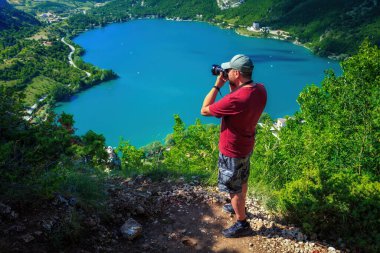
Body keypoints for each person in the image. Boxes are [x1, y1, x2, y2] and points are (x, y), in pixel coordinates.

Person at [200, 54, 267, 238]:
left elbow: (204, 110)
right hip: (246, 145)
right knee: (242, 179)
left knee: (233, 188)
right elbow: (239, 101)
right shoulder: (260, 89)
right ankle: (239, 206)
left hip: (232, 150)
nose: (225, 72)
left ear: (236, 73)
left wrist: (217, 85)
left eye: (228, 71)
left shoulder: (236, 99)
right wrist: (232, 86)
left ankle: (242, 223)